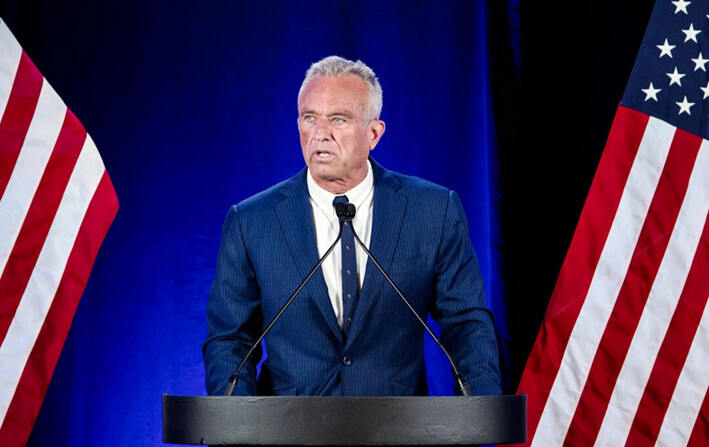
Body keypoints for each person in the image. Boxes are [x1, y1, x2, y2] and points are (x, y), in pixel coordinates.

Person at [203, 56, 501, 397]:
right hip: (287, 430)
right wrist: (238, 431)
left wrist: (479, 416)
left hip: (397, 428)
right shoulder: (252, 220)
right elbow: (230, 340)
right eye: (309, 117)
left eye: (338, 119)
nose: (320, 133)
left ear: (373, 133)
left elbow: (466, 325)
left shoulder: (433, 210)